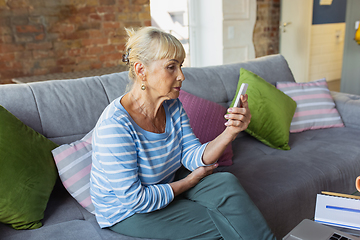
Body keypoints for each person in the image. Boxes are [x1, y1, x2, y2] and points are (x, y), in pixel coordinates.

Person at [90, 26, 275, 240]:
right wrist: (188, 183)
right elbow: (135, 199)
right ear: (141, 71)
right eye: (171, 67)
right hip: (127, 211)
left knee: (226, 182)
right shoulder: (115, 127)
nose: (181, 76)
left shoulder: (172, 106)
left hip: (163, 180)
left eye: (180, 66)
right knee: (228, 222)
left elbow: (192, 156)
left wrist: (230, 133)